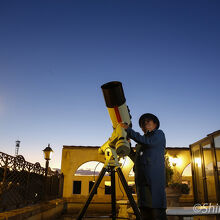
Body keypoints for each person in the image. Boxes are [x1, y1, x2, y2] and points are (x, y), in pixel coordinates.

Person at [120, 113, 167, 220]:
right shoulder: (141, 142)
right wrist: (129, 148)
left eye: (148, 121)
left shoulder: (159, 134)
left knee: (157, 214)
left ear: (155, 124)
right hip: (142, 184)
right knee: (145, 214)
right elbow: (136, 158)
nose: (145, 124)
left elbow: (148, 142)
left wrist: (129, 130)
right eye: (142, 123)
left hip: (153, 183)